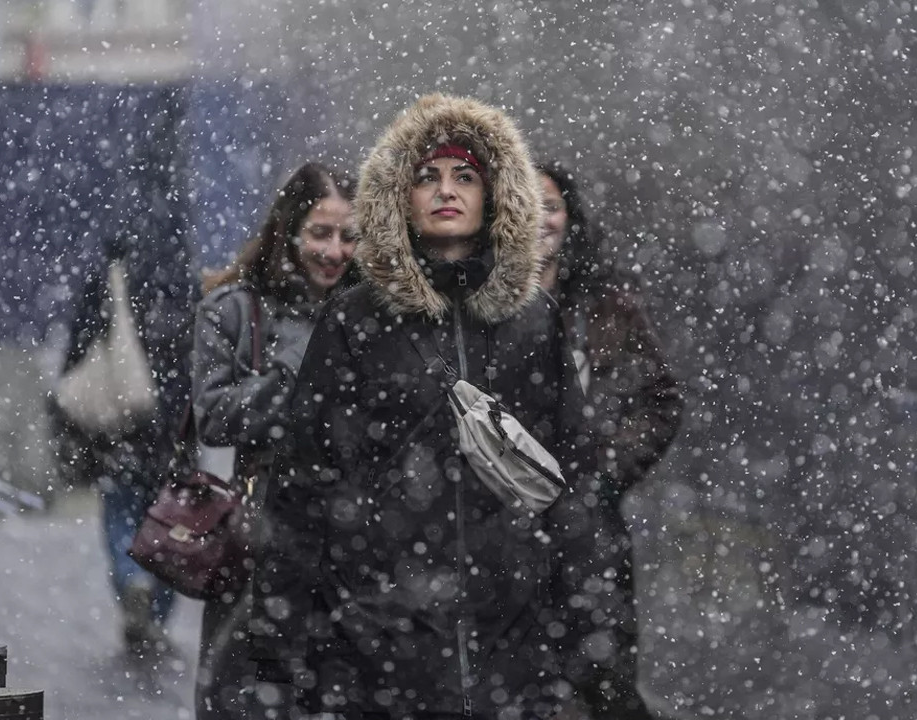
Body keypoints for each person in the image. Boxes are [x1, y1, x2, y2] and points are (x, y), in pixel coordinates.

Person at [245, 95, 621, 720]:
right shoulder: (355, 318)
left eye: (465, 176)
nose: (446, 191)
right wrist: (286, 646)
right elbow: (306, 477)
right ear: (401, 197)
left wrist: (582, 642)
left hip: (513, 640)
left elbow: (575, 481)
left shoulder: (532, 320)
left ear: (496, 192)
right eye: (427, 176)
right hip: (378, 642)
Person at [192, 162, 357, 719]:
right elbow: (213, 416)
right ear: (289, 230)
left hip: (353, 542)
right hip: (259, 536)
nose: (334, 251)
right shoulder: (236, 309)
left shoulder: (374, 315)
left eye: (349, 236)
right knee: (244, 693)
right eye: (320, 233)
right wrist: (296, 368)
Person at [536, 161, 684, 719]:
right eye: (528, 206)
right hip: (501, 533)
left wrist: (606, 469)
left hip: (587, 531)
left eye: (551, 206)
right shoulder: (478, 305)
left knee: (603, 684)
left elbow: (660, 398)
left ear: (570, 218)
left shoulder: (606, 308)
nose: (541, 219)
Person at [62, 231, 196, 657]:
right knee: (171, 522)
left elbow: (80, 341)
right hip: (173, 424)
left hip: (120, 419)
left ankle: (130, 578)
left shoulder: (109, 278)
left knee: (120, 508)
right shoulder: (185, 282)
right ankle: (156, 611)